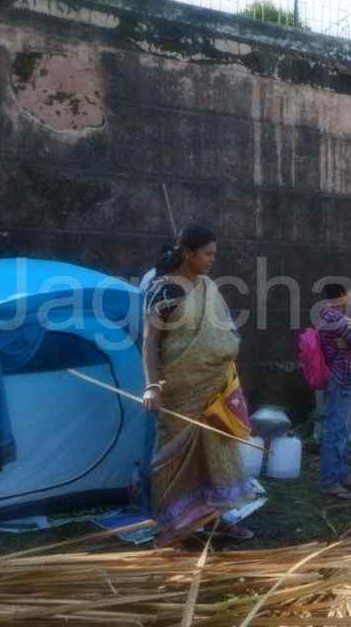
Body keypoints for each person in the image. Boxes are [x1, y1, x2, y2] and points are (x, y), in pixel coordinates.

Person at [142, 225, 257, 546]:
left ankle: (215, 519)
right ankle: (170, 530)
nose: (211, 261)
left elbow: (223, 329)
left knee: (216, 453)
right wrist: (151, 386)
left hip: (214, 387)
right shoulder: (163, 290)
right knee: (172, 460)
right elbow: (150, 342)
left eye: (214, 255)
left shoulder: (208, 287)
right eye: (207, 254)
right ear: (187, 253)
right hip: (178, 390)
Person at [318, 283, 351, 499]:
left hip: (341, 376)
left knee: (344, 429)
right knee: (336, 430)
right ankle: (331, 481)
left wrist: (346, 344)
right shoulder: (336, 319)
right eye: (350, 295)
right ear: (341, 296)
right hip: (342, 377)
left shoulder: (329, 317)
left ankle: (341, 476)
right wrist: (349, 343)